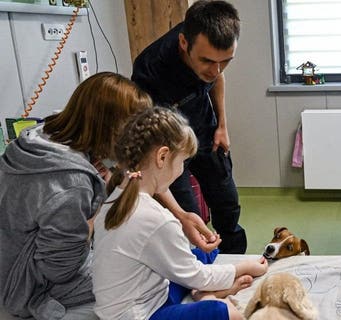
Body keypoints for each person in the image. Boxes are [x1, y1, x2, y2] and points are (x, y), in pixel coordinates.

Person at [0, 72, 153, 319]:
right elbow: (59, 270)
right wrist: (94, 217)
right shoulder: (71, 184)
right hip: (24, 285)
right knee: (143, 271)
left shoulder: (40, 136)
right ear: (111, 130)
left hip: (12, 257)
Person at [92, 107, 268, 320]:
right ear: (163, 156)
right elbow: (196, 275)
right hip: (141, 313)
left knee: (203, 255)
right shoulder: (156, 219)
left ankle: (205, 294)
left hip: (142, 295)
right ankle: (207, 297)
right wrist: (242, 267)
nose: (182, 170)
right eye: (182, 162)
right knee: (230, 314)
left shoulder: (115, 196)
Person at [131, 0, 247, 253]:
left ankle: (235, 262)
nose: (216, 70)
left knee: (228, 205)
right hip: (169, 147)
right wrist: (179, 214)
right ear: (184, 43)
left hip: (206, 133)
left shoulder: (211, 58)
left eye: (225, 61)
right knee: (190, 219)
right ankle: (205, 272)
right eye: (207, 61)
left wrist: (222, 125)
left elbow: (217, 77)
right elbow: (149, 153)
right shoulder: (149, 71)